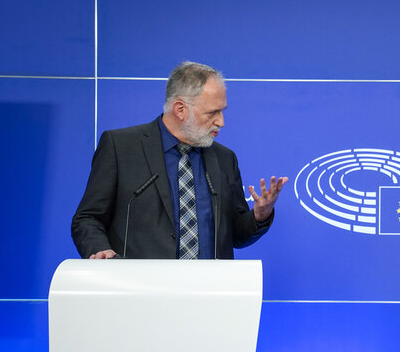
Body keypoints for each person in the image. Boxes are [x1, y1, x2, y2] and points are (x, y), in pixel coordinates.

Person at [72, 61, 288, 259]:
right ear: (180, 109)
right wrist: (99, 249)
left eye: (222, 112)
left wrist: (260, 216)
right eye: (213, 113)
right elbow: (88, 218)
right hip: (140, 291)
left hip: (209, 292)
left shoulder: (224, 159)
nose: (221, 122)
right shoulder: (121, 147)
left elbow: (236, 235)